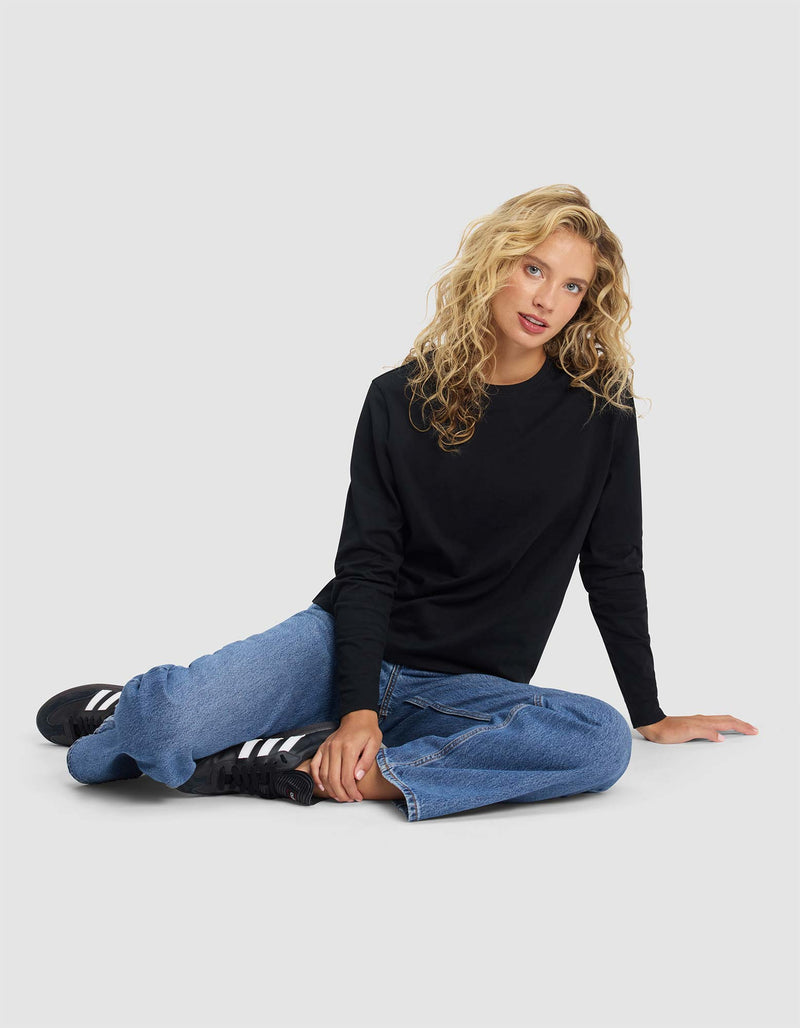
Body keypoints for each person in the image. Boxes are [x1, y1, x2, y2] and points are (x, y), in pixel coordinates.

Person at [35, 183, 758, 822]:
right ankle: (127, 713)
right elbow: (368, 560)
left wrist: (649, 713)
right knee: (159, 725)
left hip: (462, 690)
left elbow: (614, 566)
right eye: (533, 268)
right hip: (341, 646)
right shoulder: (399, 397)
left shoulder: (600, 413)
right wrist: (357, 707)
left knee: (598, 743)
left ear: (587, 301)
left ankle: (300, 769)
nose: (546, 299)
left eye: (571, 286)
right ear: (495, 264)